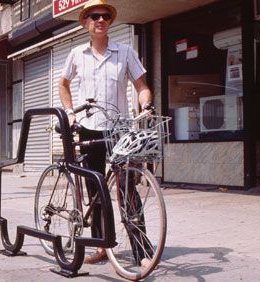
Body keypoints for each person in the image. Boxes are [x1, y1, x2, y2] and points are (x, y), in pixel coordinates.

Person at [59, 0, 154, 265]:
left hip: (120, 129)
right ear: (85, 22)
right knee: (95, 189)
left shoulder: (124, 52)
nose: (99, 20)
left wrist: (146, 103)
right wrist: (70, 112)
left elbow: (141, 85)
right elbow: (63, 85)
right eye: (94, 16)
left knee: (127, 190)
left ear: (110, 22)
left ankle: (142, 252)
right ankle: (101, 247)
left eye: (104, 16)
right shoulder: (77, 54)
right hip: (89, 129)